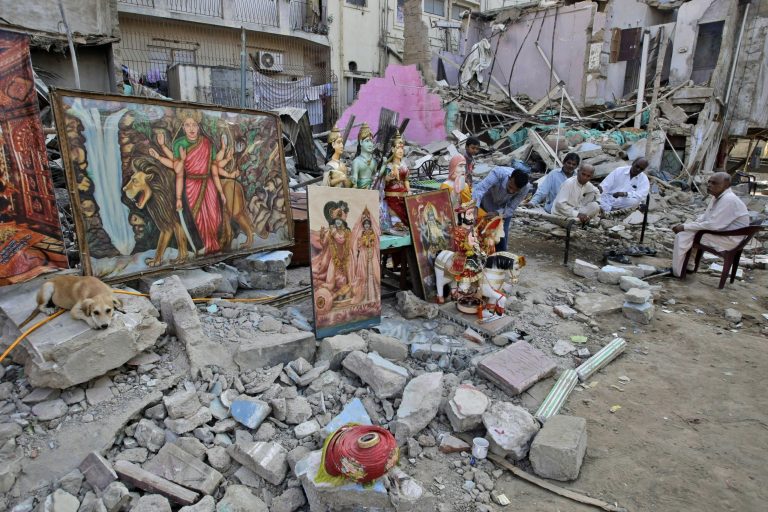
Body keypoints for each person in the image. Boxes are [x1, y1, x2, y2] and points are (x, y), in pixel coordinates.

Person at [150, 110, 228, 255]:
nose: (191, 128)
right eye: (187, 125)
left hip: (209, 185)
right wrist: (179, 198)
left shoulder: (207, 143)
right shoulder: (179, 144)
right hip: (191, 186)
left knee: (214, 217)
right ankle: (205, 248)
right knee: (197, 219)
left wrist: (221, 192)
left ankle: (214, 246)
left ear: (198, 127)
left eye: (194, 125)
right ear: (183, 127)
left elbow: (214, 169)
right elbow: (178, 170)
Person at [670, 172, 749, 277]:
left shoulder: (729, 199)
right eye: (709, 182)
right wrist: (691, 224)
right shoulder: (717, 196)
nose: (709, 185)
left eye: (714, 183)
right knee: (690, 231)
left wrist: (685, 227)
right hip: (723, 233)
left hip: (730, 239)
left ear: (726, 186)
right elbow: (707, 217)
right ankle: (688, 266)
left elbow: (713, 225)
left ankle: (677, 271)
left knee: (683, 235)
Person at [471, 166, 531, 251]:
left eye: (515, 190)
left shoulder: (526, 187)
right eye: (510, 187)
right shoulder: (498, 173)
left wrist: (497, 213)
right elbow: (480, 190)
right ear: (509, 178)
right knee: (477, 233)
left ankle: (500, 257)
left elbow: (511, 207)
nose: (511, 192)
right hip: (484, 203)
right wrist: (475, 208)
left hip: (502, 210)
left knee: (501, 238)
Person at [382, 131, 411, 230]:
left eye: (402, 148)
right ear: (393, 149)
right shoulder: (389, 166)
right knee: (396, 220)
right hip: (392, 199)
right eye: (398, 148)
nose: (400, 151)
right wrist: (389, 176)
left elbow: (406, 179)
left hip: (404, 198)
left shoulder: (404, 166)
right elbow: (385, 180)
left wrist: (409, 190)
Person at [351, 123, 377, 189]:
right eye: (367, 141)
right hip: (360, 194)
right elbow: (354, 181)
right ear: (361, 142)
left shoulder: (373, 162)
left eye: (371, 141)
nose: (370, 144)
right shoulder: (357, 162)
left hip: (371, 192)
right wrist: (353, 180)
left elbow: (375, 177)